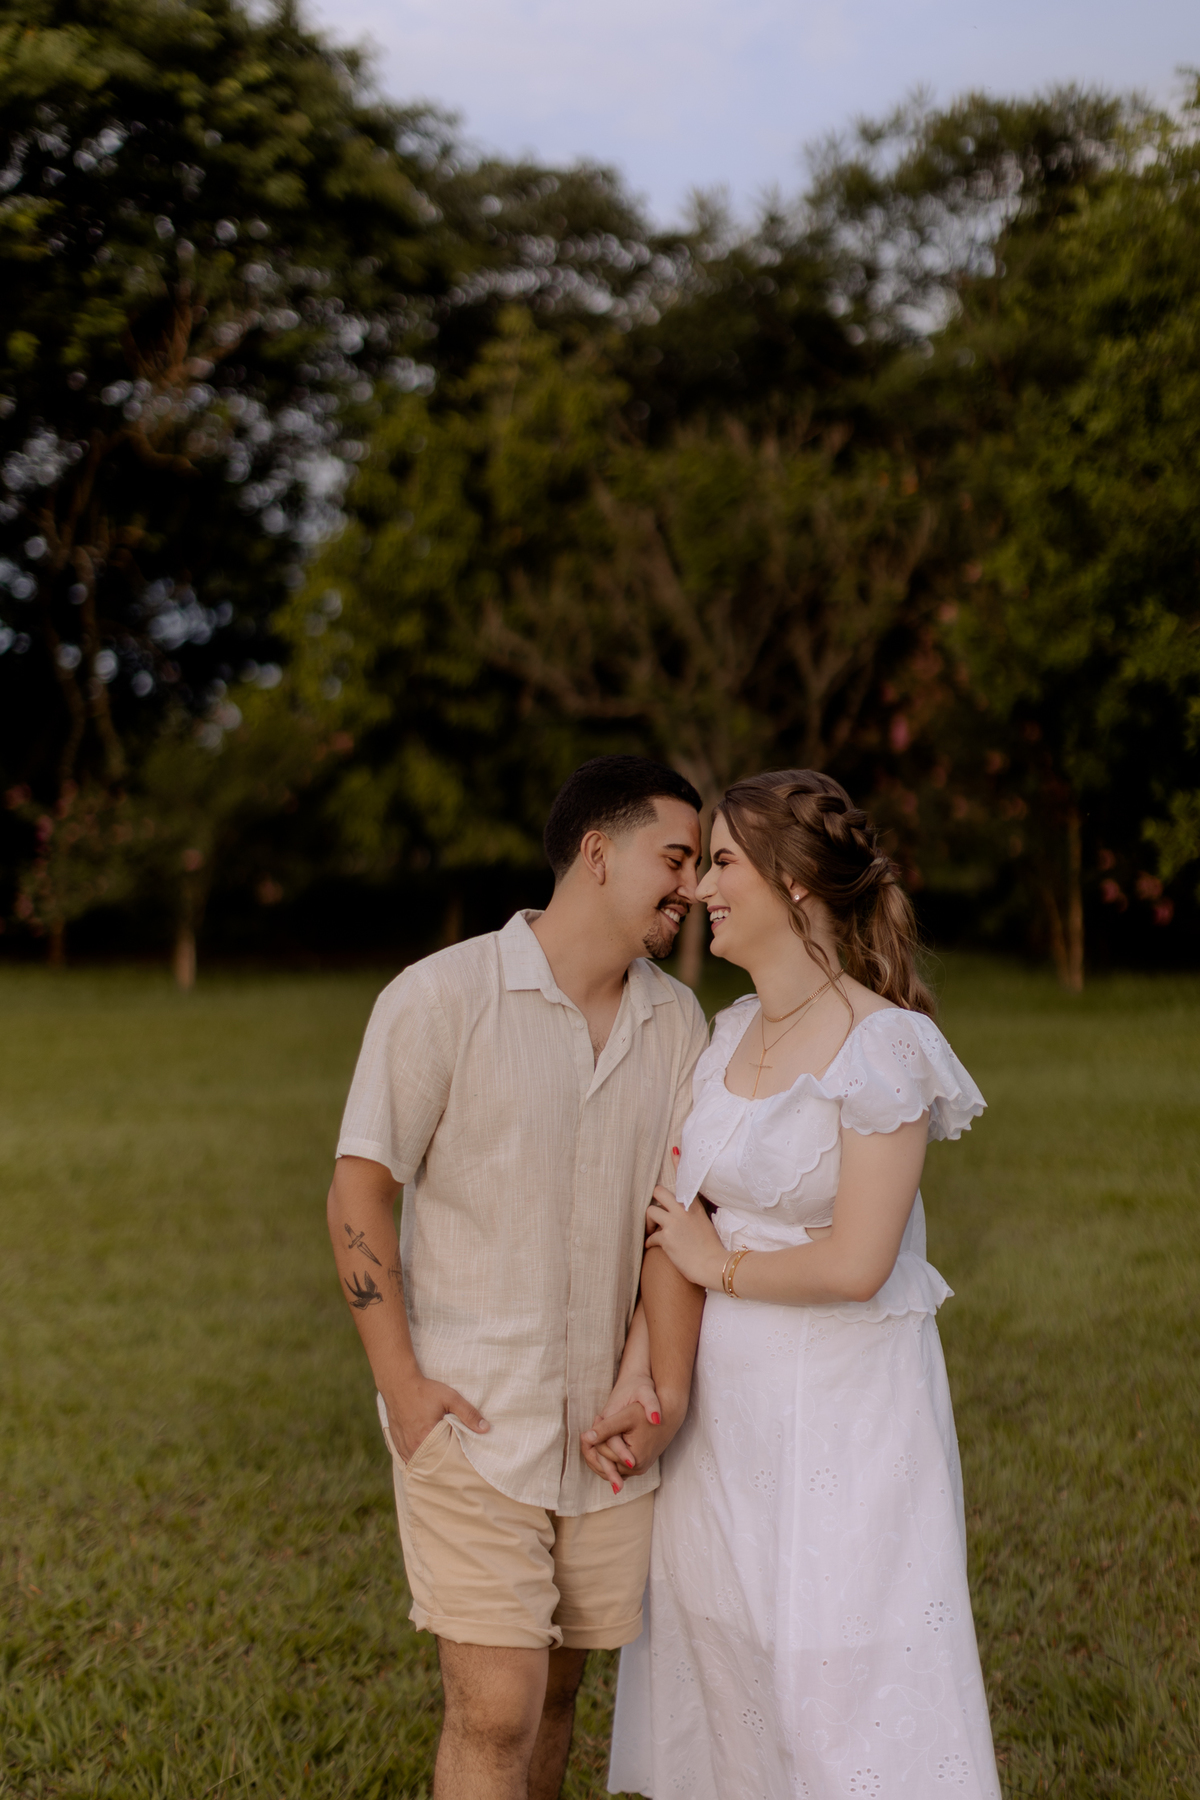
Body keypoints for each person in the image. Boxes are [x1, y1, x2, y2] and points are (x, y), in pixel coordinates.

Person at [597, 769, 1001, 1800]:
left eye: (723, 862)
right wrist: (642, 1374)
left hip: (843, 1410)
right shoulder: (727, 1033)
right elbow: (675, 1219)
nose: (700, 888)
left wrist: (719, 1265)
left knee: (838, 1683)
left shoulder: (884, 1047)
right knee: (729, 1658)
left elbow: (860, 1261)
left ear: (795, 884)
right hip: (724, 1417)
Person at [327, 754, 712, 1800]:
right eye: (676, 857)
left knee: (553, 1700)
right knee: (496, 1708)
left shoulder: (678, 1024)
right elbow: (359, 1192)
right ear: (598, 852)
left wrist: (647, 1383)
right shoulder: (440, 998)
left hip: (605, 1435)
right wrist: (404, 1389)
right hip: (471, 1420)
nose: (692, 886)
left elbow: (674, 1226)